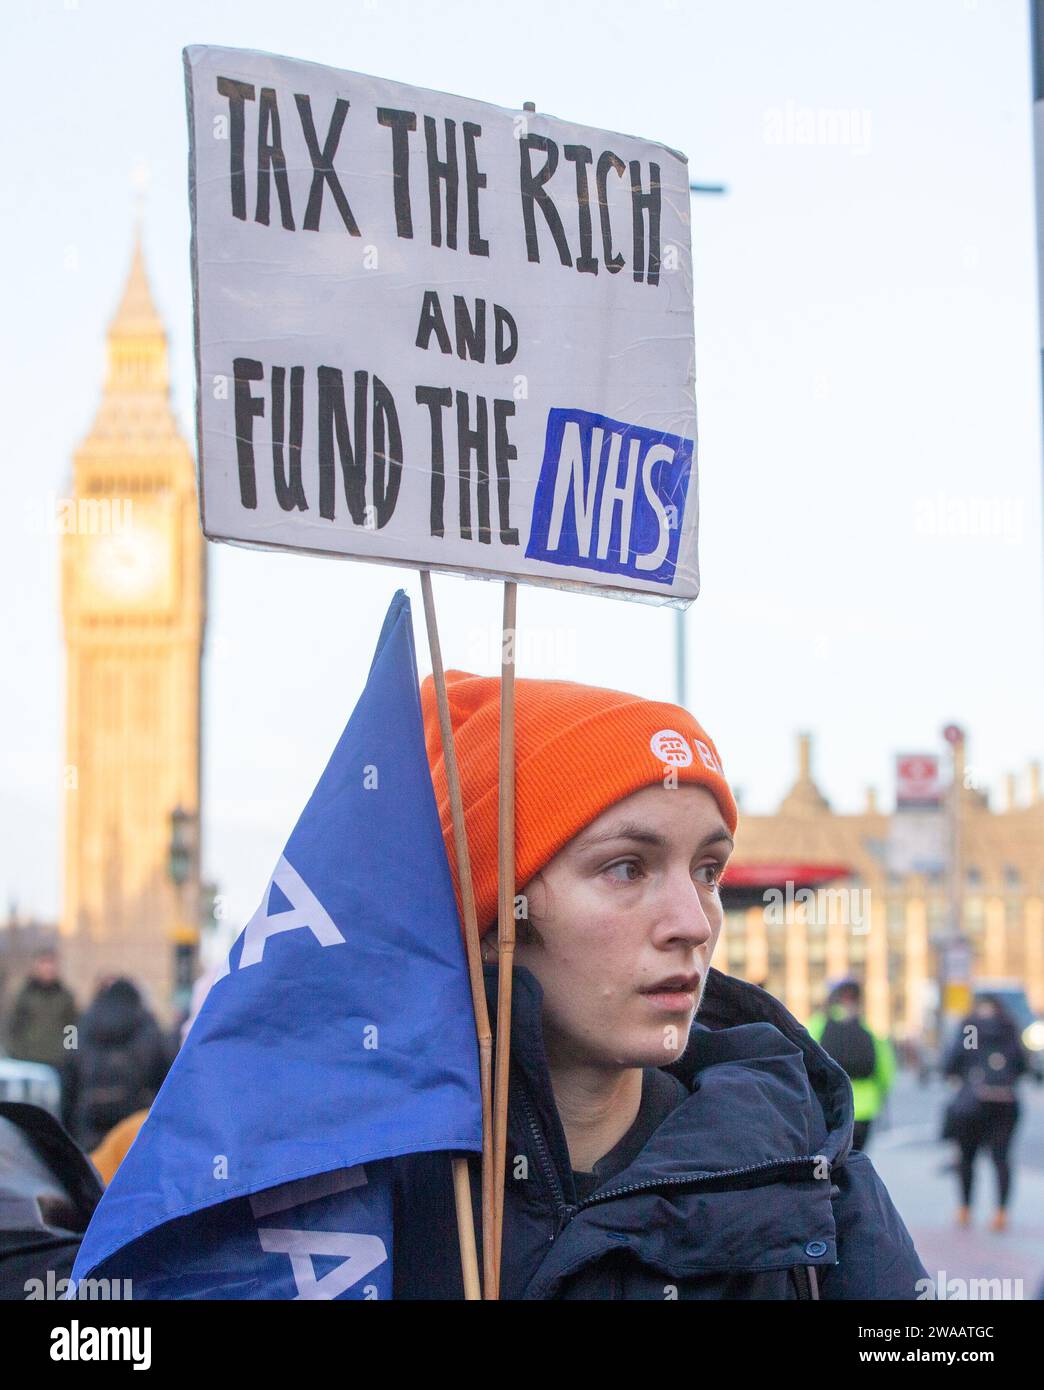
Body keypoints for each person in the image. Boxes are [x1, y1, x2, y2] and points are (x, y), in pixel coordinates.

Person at [391, 671, 928, 1299]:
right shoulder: (355, 1200)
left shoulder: (812, 1190)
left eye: (707, 870)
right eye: (626, 868)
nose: (694, 923)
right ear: (492, 919)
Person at [942, 993, 1035, 1232]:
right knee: (1001, 1158)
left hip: (973, 1103)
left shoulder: (971, 1028)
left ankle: (965, 1208)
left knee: (967, 1157)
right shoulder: (1008, 1027)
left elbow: (955, 1061)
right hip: (1005, 1102)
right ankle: (1001, 1212)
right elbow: (1023, 1065)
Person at [62, 978, 172, 1151]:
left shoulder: (83, 1025)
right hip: (135, 1120)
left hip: (89, 1121)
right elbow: (165, 1076)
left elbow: (69, 1074)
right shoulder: (148, 1025)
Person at [807, 979, 896, 1151]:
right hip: (864, 1110)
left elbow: (804, 1060)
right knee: (856, 1159)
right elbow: (886, 1070)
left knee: (831, 1163)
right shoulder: (869, 1029)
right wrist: (879, 1094)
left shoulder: (817, 1025)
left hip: (830, 1107)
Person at [4, 948, 79, 1075]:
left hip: (58, 1062)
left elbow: (72, 1027)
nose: (48, 968)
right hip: (28, 1062)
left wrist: (70, 1053)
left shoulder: (65, 996)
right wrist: (17, 1053)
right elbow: (12, 1026)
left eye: (51, 964)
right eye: (44, 963)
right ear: (36, 966)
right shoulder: (23, 995)